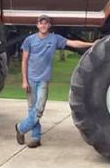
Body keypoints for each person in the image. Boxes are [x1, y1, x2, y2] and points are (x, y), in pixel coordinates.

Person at [15, 15, 94, 148]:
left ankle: (20, 128)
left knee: (39, 109)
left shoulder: (54, 38)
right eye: (41, 23)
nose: (43, 25)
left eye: (46, 23)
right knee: (32, 109)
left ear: (49, 26)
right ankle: (35, 137)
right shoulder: (29, 40)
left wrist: (91, 44)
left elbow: (73, 43)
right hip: (31, 79)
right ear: (37, 25)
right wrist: (24, 80)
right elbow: (24, 60)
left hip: (43, 80)